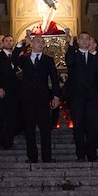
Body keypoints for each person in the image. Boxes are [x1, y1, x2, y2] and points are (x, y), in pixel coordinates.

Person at [13, 34, 60, 163]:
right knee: (29, 129)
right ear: (31, 44)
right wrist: (21, 43)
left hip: (43, 99)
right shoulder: (24, 59)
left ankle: (47, 156)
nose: (41, 44)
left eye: (42, 42)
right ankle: (32, 156)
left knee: (45, 129)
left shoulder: (48, 60)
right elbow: (13, 59)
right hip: (27, 99)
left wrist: (56, 95)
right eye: (38, 41)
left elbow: (54, 79)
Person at [65, 31, 98, 162]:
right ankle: (80, 154)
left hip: (91, 98)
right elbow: (69, 61)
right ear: (78, 41)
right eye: (81, 38)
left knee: (92, 126)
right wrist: (71, 45)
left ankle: (92, 154)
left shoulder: (95, 59)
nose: (84, 40)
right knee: (78, 126)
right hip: (77, 97)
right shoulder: (74, 55)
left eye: (86, 38)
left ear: (90, 42)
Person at [0, 35, 19, 150]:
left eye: (11, 41)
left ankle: (9, 141)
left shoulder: (15, 56)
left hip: (13, 92)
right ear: (3, 42)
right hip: (2, 91)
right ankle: (0, 141)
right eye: (6, 41)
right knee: (1, 116)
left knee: (11, 117)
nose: (8, 42)